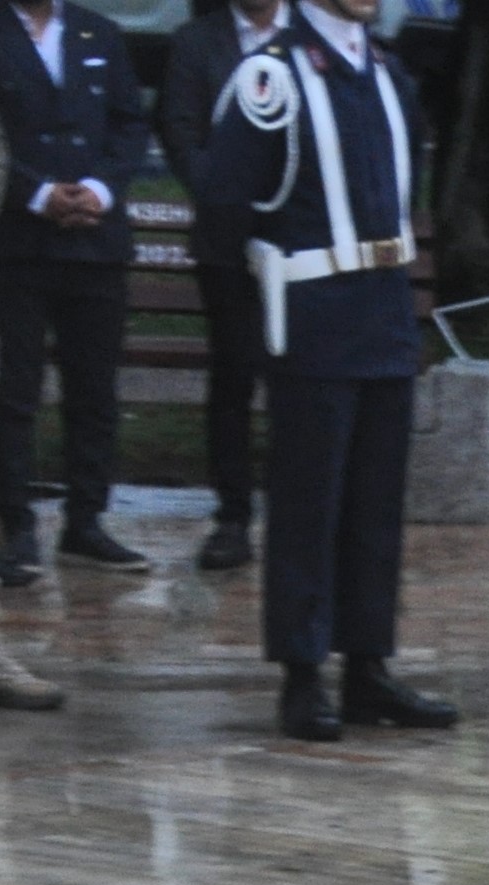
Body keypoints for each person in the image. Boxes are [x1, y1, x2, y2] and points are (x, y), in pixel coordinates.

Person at [198, 0, 452, 743]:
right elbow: (221, 208)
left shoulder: (387, 73)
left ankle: (368, 664)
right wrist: (263, 312)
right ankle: (304, 673)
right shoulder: (270, 78)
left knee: (375, 504)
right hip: (312, 316)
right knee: (309, 505)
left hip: (380, 308)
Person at [0, 0, 146, 584]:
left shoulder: (101, 31)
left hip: (96, 244)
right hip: (15, 244)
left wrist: (100, 188)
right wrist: (37, 194)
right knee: (14, 391)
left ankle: (86, 520)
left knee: (94, 390)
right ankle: (15, 526)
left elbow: (128, 123)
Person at [159, 0, 282, 576]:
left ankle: (301, 507)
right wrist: (222, 192)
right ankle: (233, 515)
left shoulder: (309, 38)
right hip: (227, 242)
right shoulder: (196, 42)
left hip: (302, 242)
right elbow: (180, 129)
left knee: (303, 377)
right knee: (234, 374)